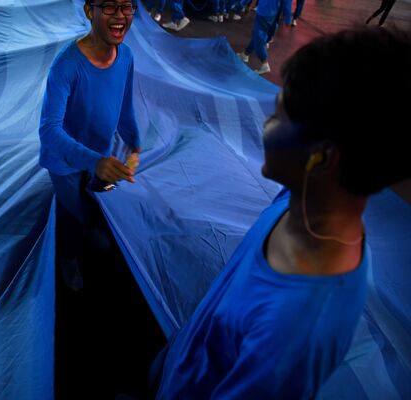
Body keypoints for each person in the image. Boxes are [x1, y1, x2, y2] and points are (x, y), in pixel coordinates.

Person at [151, 26, 411, 399]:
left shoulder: (297, 326)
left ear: (320, 157)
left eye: (278, 118)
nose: (265, 125)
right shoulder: (303, 201)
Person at [39, 0, 141, 290]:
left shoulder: (127, 57)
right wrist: (93, 161)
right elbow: (49, 131)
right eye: (109, 6)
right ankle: (68, 258)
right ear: (89, 11)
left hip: (101, 154)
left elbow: (123, 106)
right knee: (71, 213)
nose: (120, 15)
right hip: (64, 161)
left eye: (127, 6)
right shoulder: (67, 66)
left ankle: (92, 226)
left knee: (97, 197)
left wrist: (134, 143)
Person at [238, 0, 282, 74]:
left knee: (259, 37)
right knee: (256, 33)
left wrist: (243, 3)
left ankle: (264, 64)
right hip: (273, 12)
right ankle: (246, 54)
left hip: (263, 12)